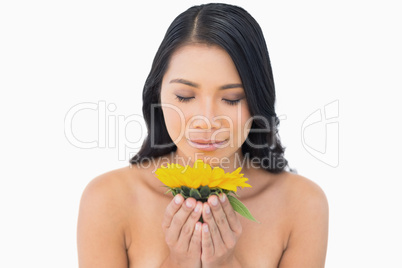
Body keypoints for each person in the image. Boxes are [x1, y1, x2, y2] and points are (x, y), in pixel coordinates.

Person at [77, 3, 329, 267]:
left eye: (232, 99)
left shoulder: (302, 203)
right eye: (185, 97)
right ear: (158, 94)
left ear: (258, 100)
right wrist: (179, 262)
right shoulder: (107, 199)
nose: (207, 121)